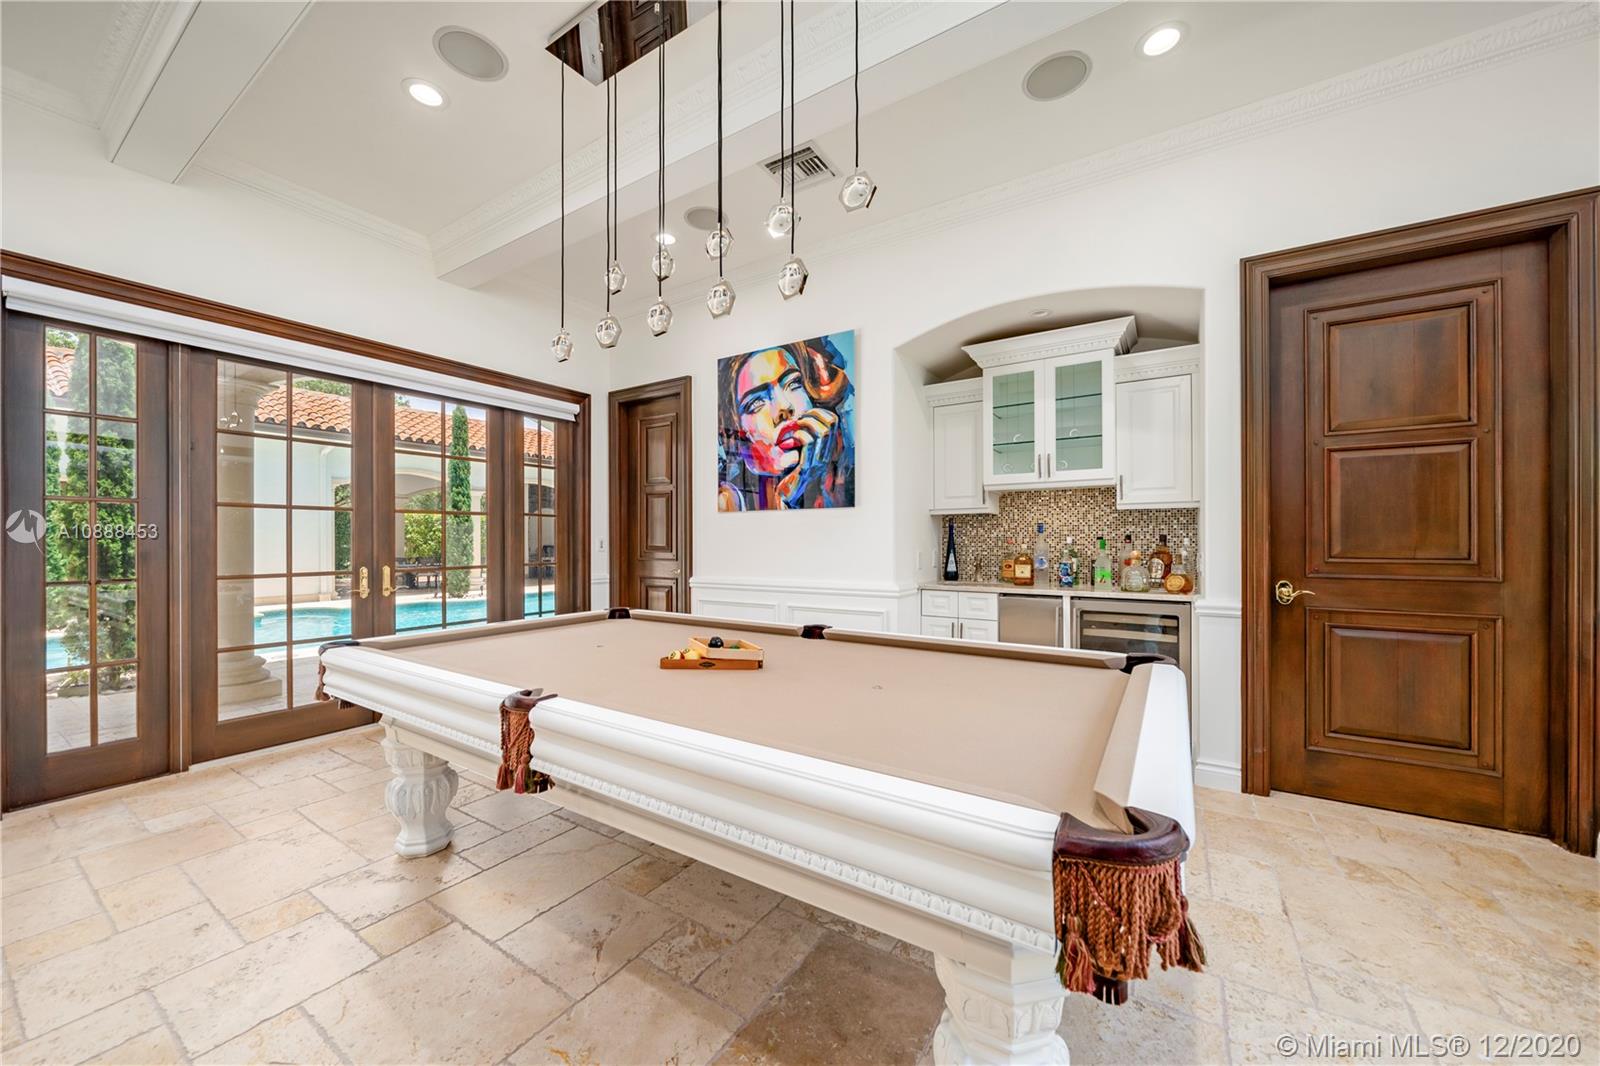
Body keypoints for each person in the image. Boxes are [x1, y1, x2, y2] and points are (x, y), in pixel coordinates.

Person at [717, 335, 855, 510]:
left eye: (794, 384)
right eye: (756, 403)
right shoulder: (727, 501)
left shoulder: (848, 472)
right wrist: (790, 494)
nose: (784, 407)